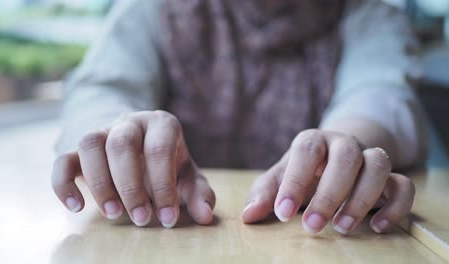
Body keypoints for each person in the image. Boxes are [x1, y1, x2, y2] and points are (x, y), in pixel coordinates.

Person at [51, 0, 428, 235]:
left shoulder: (369, 16)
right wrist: (123, 135)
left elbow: (380, 94)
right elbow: (99, 90)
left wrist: (343, 149)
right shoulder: (153, 9)